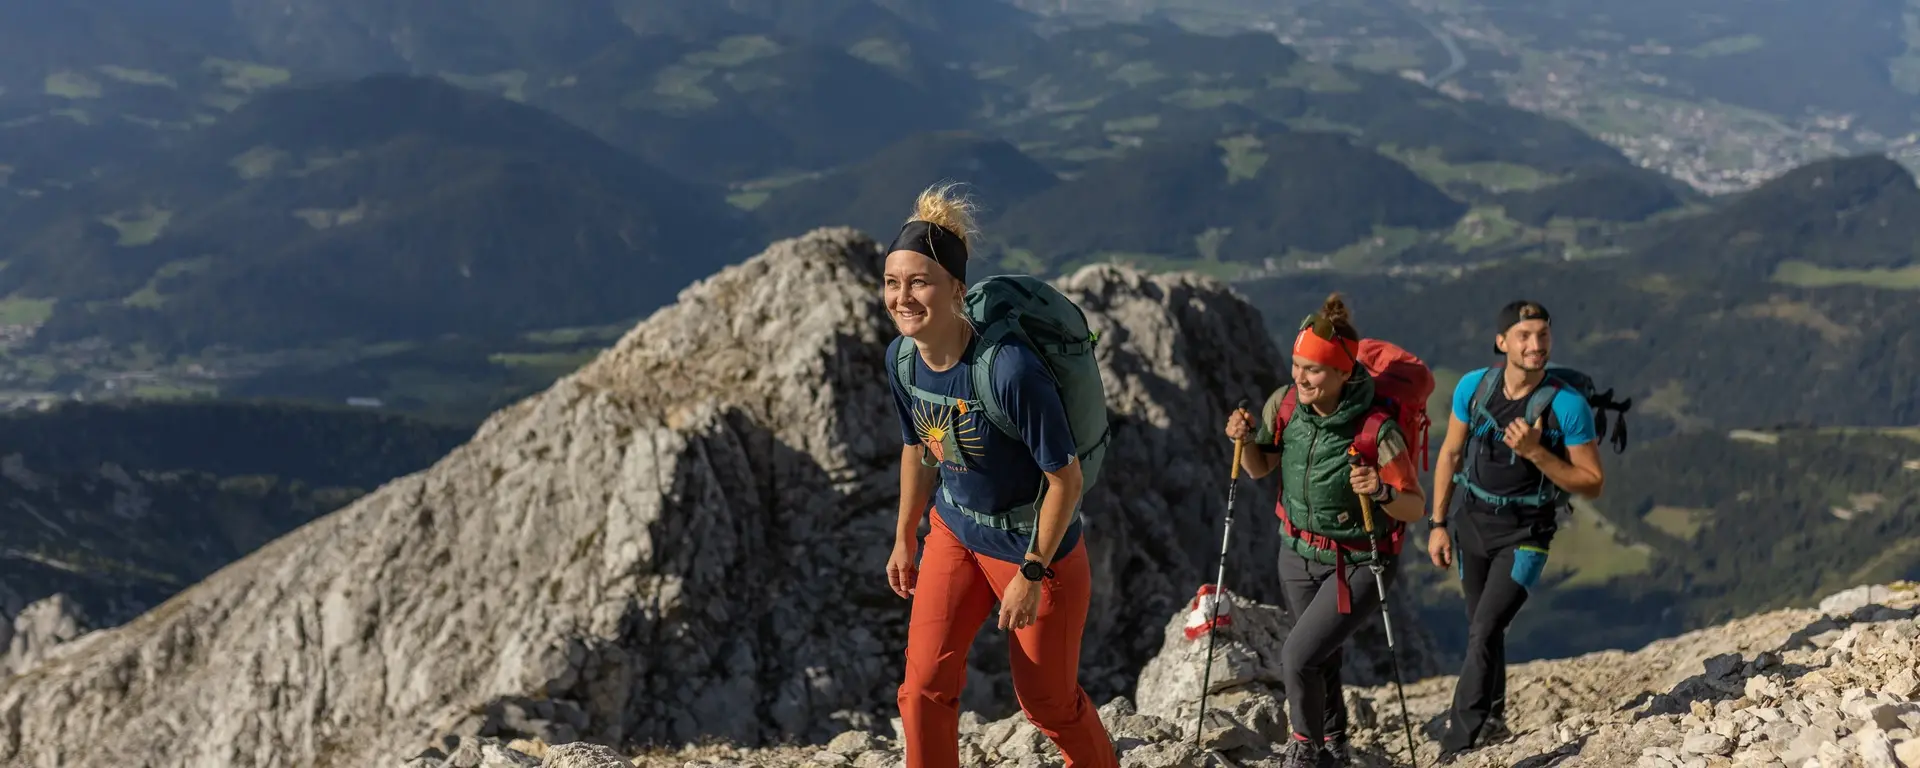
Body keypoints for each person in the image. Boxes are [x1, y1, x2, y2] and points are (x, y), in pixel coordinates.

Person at [883, 182, 1118, 768]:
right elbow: (918, 446)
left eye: (920, 282)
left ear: (956, 290)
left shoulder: (1008, 370)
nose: (903, 297)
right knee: (921, 692)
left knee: (1048, 703)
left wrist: (1031, 573)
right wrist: (905, 533)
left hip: (1034, 549)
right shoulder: (902, 359)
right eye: (892, 282)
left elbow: (1066, 480)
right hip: (956, 532)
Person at [1223, 294, 1428, 768]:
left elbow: (1413, 506)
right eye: (1296, 365)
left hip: (1358, 561)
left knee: (1297, 655)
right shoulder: (1286, 404)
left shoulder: (1375, 430)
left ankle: (1304, 749)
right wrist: (1243, 441)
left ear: (1342, 372)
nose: (1300, 377)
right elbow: (1259, 468)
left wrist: (1379, 491)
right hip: (1295, 553)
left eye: (1313, 370)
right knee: (1321, 656)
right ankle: (1333, 743)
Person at [1426, 299, 1606, 762]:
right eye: (1525, 336)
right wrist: (1438, 524)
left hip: (1526, 533)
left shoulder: (1568, 405)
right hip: (1470, 525)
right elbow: (1449, 454)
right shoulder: (1474, 386)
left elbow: (1592, 483)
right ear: (1501, 341)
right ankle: (1494, 714)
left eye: (1543, 335)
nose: (1536, 345)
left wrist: (1536, 452)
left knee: (1485, 630)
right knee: (1481, 629)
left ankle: (1457, 741)